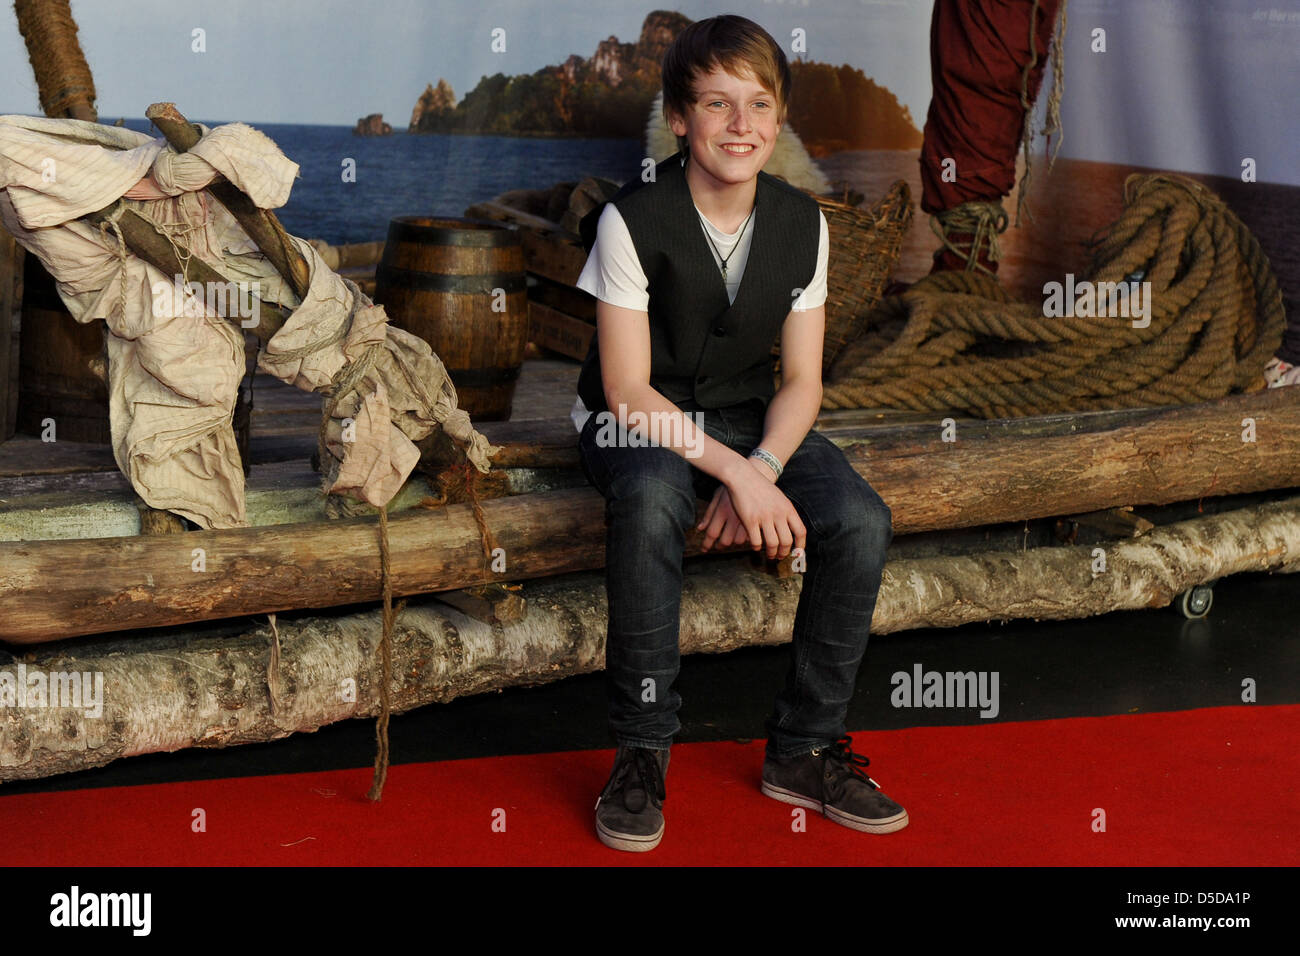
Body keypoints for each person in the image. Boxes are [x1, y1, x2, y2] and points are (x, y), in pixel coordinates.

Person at [572, 14, 904, 853]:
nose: (741, 126)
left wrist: (757, 466)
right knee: (652, 501)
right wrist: (737, 476)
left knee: (862, 518)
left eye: (759, 105)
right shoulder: (630, 221)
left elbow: (801, 381)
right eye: (717, 105)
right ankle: (642, 751)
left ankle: (802, 749)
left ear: (780, 119)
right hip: (636, 418)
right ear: (679, 119)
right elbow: (625, 389)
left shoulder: (805, 224)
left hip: (749, 418)